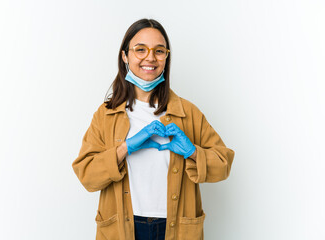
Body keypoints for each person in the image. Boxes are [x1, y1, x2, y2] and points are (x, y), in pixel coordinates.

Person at [72, 18, 235, 240]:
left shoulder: (187, 113)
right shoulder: (106, 114)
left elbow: (223, 165)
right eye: (140, 49)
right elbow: (87, 176)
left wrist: (193, 152)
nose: (150, 57)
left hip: (176, 227)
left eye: (159, 51)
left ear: (166, 57)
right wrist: (125, 148)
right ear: (124, 56)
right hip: (124, 228)